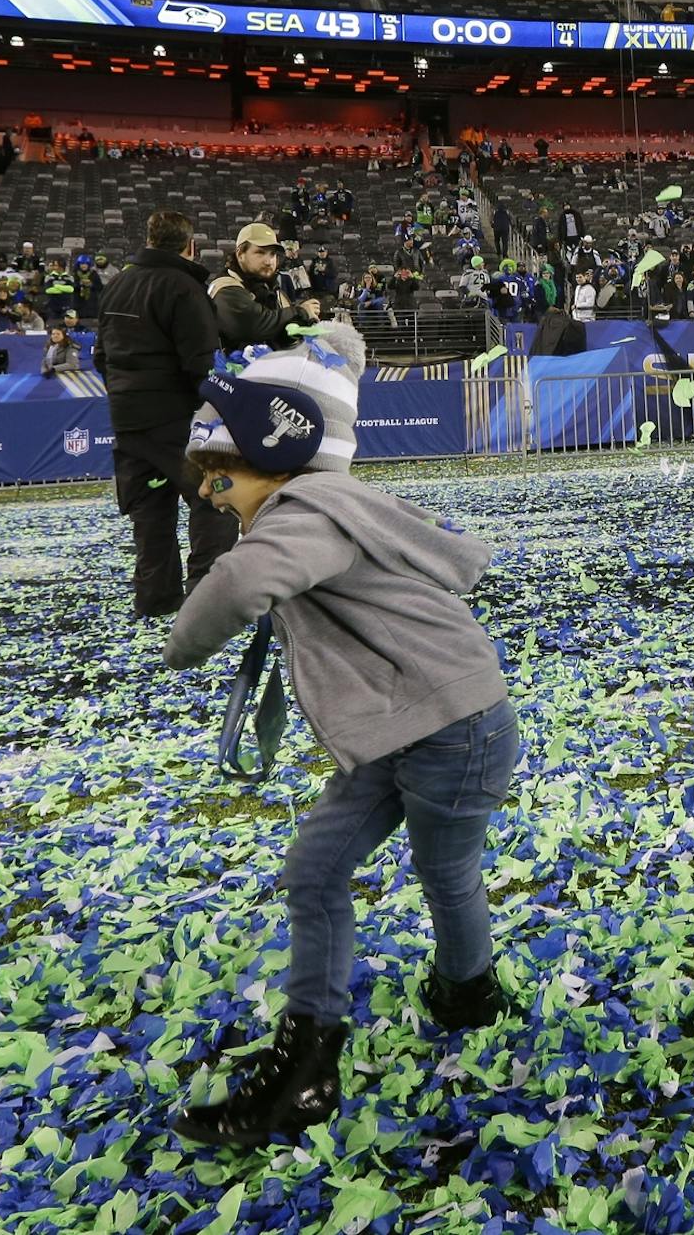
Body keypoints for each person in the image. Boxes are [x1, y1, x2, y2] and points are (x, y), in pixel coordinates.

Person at [165, 324, 518, 1148]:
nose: (215, 497)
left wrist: (179, 647)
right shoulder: (329, 500)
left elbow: (244, 582)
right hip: (411, 726)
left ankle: (467, 993)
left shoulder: (305, 510)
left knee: (445, 871)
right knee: (314, 872)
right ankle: (310, 1059)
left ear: (269, 456)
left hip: (452, 728)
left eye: (221, 478)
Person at [93, 209, 240, 617]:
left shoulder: (117, 285)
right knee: (215, 501)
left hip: (127, 419)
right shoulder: (183, 287)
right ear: (190, 246)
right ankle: (205, 603)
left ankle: (155, 600)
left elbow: (100, 356)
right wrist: (225, 406)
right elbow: (201, 365)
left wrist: (125, 394)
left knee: (150, 510)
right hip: (176, 419)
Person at [212, 223, 320, 352]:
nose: (269, 261)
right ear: (240, 254)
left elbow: (276, 336)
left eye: (272, 254)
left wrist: (301, 326)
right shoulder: (225, 287)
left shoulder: (269, 287)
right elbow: (255, 326)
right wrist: (300, 312)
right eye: (260, 253)